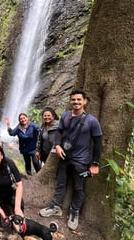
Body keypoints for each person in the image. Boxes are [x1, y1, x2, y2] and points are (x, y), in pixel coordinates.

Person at [39, 89, 102, 230]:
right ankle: (56, 207)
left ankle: (74, 212)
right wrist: (58, 145)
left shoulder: (92, 121)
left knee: (78, 188)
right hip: (64, 156)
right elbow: (59, 132)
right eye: (73, 99)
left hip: (81, 160)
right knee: (61, 183)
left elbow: (98, 143)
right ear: (70, 101)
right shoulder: (66, 116)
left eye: (79, 99)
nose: (76, 102)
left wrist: (95, 164)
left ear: (85, 101)